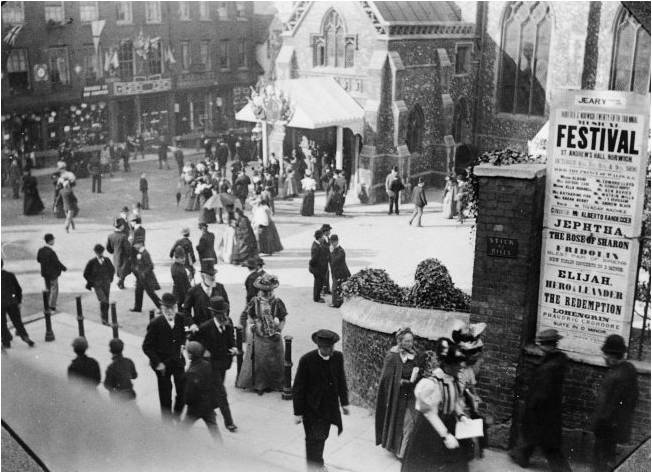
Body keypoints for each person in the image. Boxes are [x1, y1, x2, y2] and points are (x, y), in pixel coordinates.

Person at [401, 340, 470, 472]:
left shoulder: (452, 379)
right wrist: (445, 435)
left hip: (449, 424)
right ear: (448, 364)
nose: (461, 367)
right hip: (430, 430)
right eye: (458, 364)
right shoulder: (430, 384)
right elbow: (429, 413)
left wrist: (461, 415)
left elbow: (453, 399)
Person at [510, 329, 571, 471]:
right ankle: (521, 455)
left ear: (546, 345)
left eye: (542, 344)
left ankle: (562, 470)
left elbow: (541, 393)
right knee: (534, 436)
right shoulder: (559, 359)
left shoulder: (548, 368)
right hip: (551, 409)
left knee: (548, 444)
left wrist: (531, 406)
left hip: (542, 410)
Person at [293, 329, 350, 470]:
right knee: (313, 440)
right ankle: (314, 468)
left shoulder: (337, 357)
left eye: (331, 347)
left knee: (322, 437)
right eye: (326, 348)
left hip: (329, 407)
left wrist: (344, 403)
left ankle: (318, 464)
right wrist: (298, 412)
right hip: (311, 408)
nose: (330, 350)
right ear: (319, 347)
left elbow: (341, 380)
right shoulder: (307, 360)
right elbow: (298, 387)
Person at [591, 334, 639, 472]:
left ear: (613, 356)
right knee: (606, 459)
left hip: (608, 426)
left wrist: (602, 422)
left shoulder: (620, 375)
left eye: (606, 354)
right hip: (612, 426)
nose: (604, 357)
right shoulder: (626, 370)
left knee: (601, 460)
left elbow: (614, 403)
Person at [192, 296, 238, 432]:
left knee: (216, 390)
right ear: (214, 314)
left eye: (225, 312)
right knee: (221, 393)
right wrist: (203, 351)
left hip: (224, 363)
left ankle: (206, 410)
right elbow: (194, 341)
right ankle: (229, 422)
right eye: (220, 313)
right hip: (211, 365)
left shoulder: (228, 325)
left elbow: (232, 340)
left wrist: (234, 348)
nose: (224, 316)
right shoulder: (206, 327)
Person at [142, 293, 187, 421]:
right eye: (166, 308)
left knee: (183, 391)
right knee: (165, 394)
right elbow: (146, 346)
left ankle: (177, 415)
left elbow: (183, 334)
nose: (170, 311)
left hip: (177, 361)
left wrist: (182, 344)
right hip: (163, 364)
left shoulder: (180, 318)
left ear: (176, 307)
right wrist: (158, 363)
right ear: (162, 308)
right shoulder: (156, 323)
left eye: (172, 307)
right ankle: (167, 422)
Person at [376, 328, 419, 459]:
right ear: (400, 341)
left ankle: (404, 450)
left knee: (411, 422)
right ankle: (401, 452)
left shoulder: (413, 354)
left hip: (411, 394)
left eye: (411, 341)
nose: (409, 344)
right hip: (398, 397)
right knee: (405, 423)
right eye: (406, 341)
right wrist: (399, 382)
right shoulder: (393, 356)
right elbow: (386, 378)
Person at [183, 340, 222, 440]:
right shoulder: (206, 364)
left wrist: (187, 401)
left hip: (195, 406)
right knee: (213, 427)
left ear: (191, 354)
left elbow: (190, 392)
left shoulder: (192, 372)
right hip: (208, 403)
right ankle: (220, 446)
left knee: (183, 428)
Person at [183, 260, 230, 329]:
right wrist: (192, 324)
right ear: (203, 276)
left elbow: (226, 306)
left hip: (217, 327)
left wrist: (223, 319)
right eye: (210, 275)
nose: (213, 278)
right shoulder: (193, 291)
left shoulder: (220, 288)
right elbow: (186, 310)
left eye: (214, 274)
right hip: (201, 328)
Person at [1, 260, 34, 349]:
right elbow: (18, 289)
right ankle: (25, 337)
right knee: (17, 321)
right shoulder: (10, 275)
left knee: (2, 324)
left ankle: (6, 342)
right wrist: (18, 301)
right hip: (12, 302)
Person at [83, 244, 115, 326]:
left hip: (106, 284)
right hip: (97, 285)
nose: (100, 254)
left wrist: (110, 279)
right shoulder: (92, 262)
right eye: (98, 252)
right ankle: (104, 320)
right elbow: (86, 274)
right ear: (95, 252)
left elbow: (112, 269)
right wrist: (92, 282)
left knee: (106, 302)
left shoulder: (107, 260)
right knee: (103, 300)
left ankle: (105, 320)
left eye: (101, 252)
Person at [37, 233, 67, 312]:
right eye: (53, 240)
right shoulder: (51, 252)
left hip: (45, 273)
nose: (54, 241)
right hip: (52, 274)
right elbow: (56, 262)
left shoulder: (41, 250)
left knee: (48, 289)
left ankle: (46, 304)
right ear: (50, 241)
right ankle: (52, 306)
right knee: (54, 289)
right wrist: (64, 268)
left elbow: (38, 259)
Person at [130, 241, 161, 312]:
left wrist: (144, 272)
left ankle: (161, 307)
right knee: (138, 291)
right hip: (140, 277)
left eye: (136, 244)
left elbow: (151, 266)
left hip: (146, 278)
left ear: (140, 244)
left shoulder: (145, 253)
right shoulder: (139, 252)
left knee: (151, 293)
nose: (134, 246)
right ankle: (137, 308)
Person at [107, 219, 132, 290]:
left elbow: (108, 248)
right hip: (124, 257)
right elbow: (128, 249)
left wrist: (114, 252)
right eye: (123, 225)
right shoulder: (123, 237)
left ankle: (121, 284)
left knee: (119, 270)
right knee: (124, 270)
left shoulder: (110, 236)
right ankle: (120, 282)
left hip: (116, 256)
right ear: (121, 227)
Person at [328, 234, 351, 308]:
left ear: (337, 241)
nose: (332, 243)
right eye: (331, 242)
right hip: (337, 272)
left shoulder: (341, 251)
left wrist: (331, 253)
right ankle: (338, 303)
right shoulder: (336, 250)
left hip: (341, 273)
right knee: (338, 288)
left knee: (335, 288)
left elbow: (334, 261)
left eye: (333, 242)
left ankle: (335, 303)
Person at [309, 230, 328, 304]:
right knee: (318, 283)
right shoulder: (316, 247)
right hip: (317, 269)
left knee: (318, 283)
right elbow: (314, 260)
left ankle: (317, 297)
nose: (323, 238)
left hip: (319, 268)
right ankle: (316, 298)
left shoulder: (317, 244)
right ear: (319, 238)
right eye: (322, 236)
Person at [320, 224, 332, 295]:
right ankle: (322, 290)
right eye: (329, 230)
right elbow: (323, 248)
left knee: (327, 273)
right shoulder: (322, 239)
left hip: (326, 259)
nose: (330, 232)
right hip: (322, 259)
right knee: (323, 274)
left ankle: (326, 289)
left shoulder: (328, 238)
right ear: (325, 231)